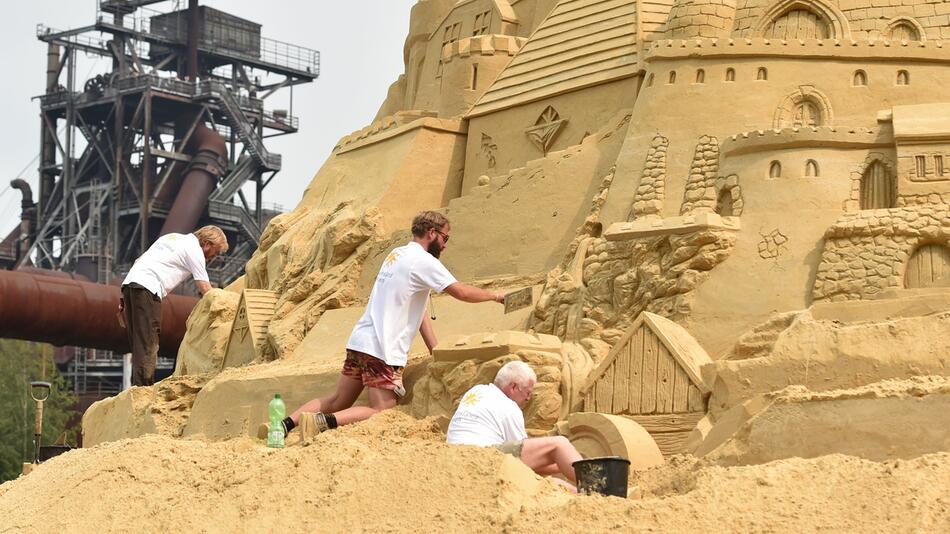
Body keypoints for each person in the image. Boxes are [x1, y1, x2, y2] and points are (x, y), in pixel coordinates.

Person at [261, 210, 505, 439]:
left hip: (360, 341)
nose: (445, 243)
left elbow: (416, 310)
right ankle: (322, 422)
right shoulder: (424, 262)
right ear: (432, 233)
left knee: (337, 399)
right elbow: (460, 292)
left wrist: (435, 349)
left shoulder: (395, 255)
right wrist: (496, 296)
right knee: (382, 410)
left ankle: (283, 426)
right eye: (444, 237)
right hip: (383, 348)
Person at [446, 361, 583, 490]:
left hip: (452, 456)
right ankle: (598, 483)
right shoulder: (509, 407)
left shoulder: (476, 391)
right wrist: (563, 460)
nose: (528, 398)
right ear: (513, 387)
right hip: (482, 459)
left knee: (556, 485)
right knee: (559, 444)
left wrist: (561, 463)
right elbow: (522, 463)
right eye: (527, 392)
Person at [119, 225, 228, 386]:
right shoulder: (194, 250)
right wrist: (225, 302)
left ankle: (136, 387)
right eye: (216, 252)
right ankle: (143, 390)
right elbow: (205, 288)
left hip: (130, 286)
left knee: (138, 342)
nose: (214, 257)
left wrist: (123, 297)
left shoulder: (172, 238)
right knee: (149, 343)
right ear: (206, 243)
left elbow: (138, 260)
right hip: (148, 289)